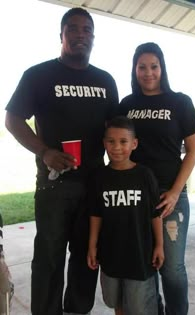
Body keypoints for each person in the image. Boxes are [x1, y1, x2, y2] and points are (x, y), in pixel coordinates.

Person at [5, 7, 119, 315]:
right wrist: (45, 152)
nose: (80, 34)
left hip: (94, 184)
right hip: (55, 187)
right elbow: (13, 119)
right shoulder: (38, 75)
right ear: (62, 35)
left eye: (87, 30)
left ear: (93, 37)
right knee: (49, 258)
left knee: (86, 256)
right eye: (73, 29)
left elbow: (117, 130)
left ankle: (78, 310)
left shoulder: (106, 81)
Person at [118, 42, 195, 315]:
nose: (148, 72)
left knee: (172, 268)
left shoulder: (180, 102)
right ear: (135, 69)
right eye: (142, 67)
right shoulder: (127, 105)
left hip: (170, 196)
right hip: (135, 196)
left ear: (162, 68)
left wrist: (177, 192)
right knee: (147, 263)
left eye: (153, 66)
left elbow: (193, 150)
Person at [87, 116, 164, 315]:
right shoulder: (99, 177)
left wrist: (159, 245)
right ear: (104, 143)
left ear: (134, 143)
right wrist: (92, 245)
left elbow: (154, 214)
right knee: (115, 301)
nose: (117, 147)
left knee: (139, 306)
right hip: (111, 254)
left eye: (123, 141)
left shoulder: (145, 175)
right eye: (111, 141)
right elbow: (96, 214)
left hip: (139, 255)